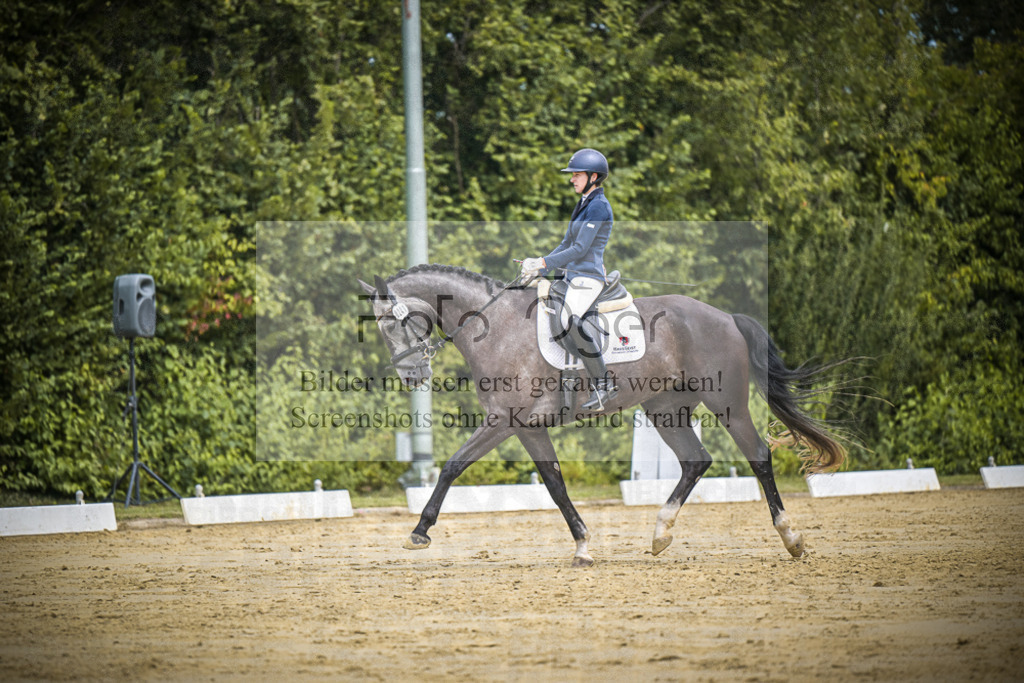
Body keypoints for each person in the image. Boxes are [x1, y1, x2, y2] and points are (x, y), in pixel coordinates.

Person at [520, 148, 618, 411]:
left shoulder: (598, 206)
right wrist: (538, 268)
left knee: (569, 319)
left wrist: (543, 263)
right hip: (572, 275)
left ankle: (604, 384)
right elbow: (566, 243)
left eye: (576, 175)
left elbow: (580, 250)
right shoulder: (584, 202)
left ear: (593, 176)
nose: (572, 179)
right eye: (572, 175)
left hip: (588, 278)